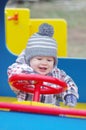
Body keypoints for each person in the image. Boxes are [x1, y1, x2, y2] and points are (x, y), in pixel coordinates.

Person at [7, 23, 79, 107]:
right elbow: (14, 71)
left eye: (49, 60)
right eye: (39, 59)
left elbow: (68, 83)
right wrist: (31, 76)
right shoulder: (22, 68)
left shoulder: (57, 74)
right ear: (29, 59)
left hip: (50, 112)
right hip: (25, 110)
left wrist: (70, 95)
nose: (44, 63)